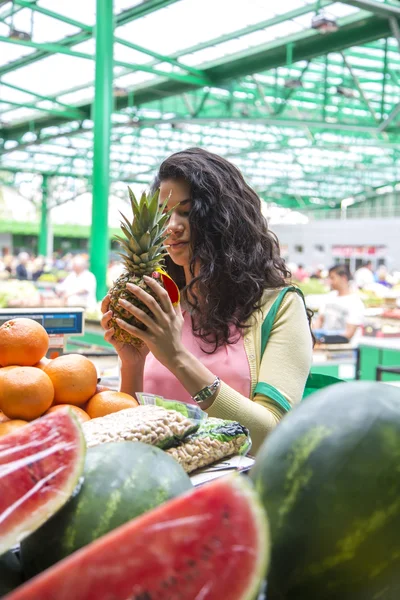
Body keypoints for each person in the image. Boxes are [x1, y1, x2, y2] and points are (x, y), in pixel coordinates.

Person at [101, 148, 313, 452]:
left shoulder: (280, 306)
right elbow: (135, 428)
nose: (171, 225)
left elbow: (272, 433)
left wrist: (177, 357)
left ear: (224, 219)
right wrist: (132, 365)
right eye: (164, 214)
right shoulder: (167, 303)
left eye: (187, 212)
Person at [313, 264, 365, 346]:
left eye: (332, 278)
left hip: (342, 348)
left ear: (343, 278)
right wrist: (314, 336)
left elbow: (349, 333)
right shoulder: (329, 297)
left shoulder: (355, 302)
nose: (330, 281)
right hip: (324, 345)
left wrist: (324, 340)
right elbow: (320, 320)